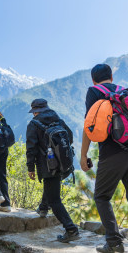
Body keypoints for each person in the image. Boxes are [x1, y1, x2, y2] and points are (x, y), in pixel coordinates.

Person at [80, 64, 128, 253]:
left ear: (93, 79)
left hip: (113, 154)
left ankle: (114, 243)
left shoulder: (94, 92)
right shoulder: (127, 92)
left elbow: (90, 125)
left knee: (102, 196)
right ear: (111, 77)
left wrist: (83, 155)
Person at [26, 98, 80, 243]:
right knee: (51, 187)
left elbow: (31, 148)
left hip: (47, 165)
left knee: (55, 200)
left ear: (35, 111)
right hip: (63, 163)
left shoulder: (33, 124)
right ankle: (43, 208)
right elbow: (70, 138)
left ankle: (71, 229)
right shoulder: (59, 121)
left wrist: (30, 167)